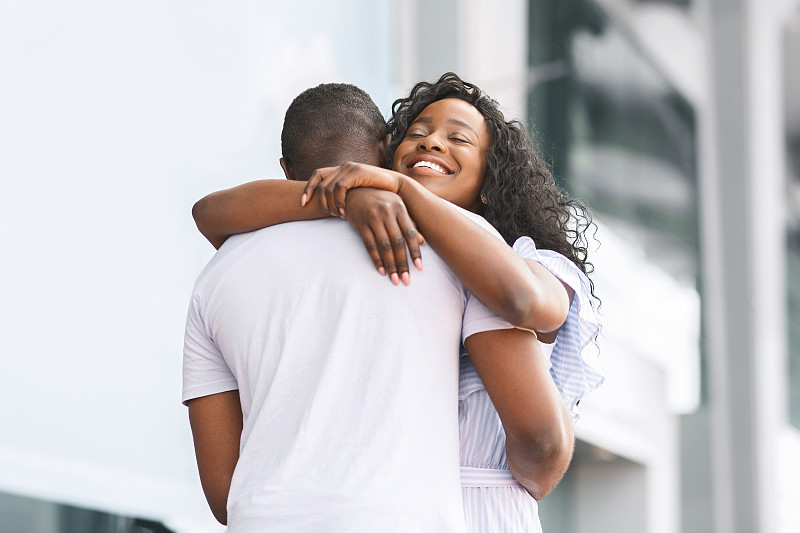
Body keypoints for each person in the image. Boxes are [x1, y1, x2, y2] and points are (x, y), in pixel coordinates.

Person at [183, 82, 572, 532]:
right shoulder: (460, 252)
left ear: (285, 168)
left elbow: (222, 492)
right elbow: (541, 440)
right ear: (385, 148)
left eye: (458, 137)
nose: (432, 142)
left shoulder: (215, 277)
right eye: (419, 132)